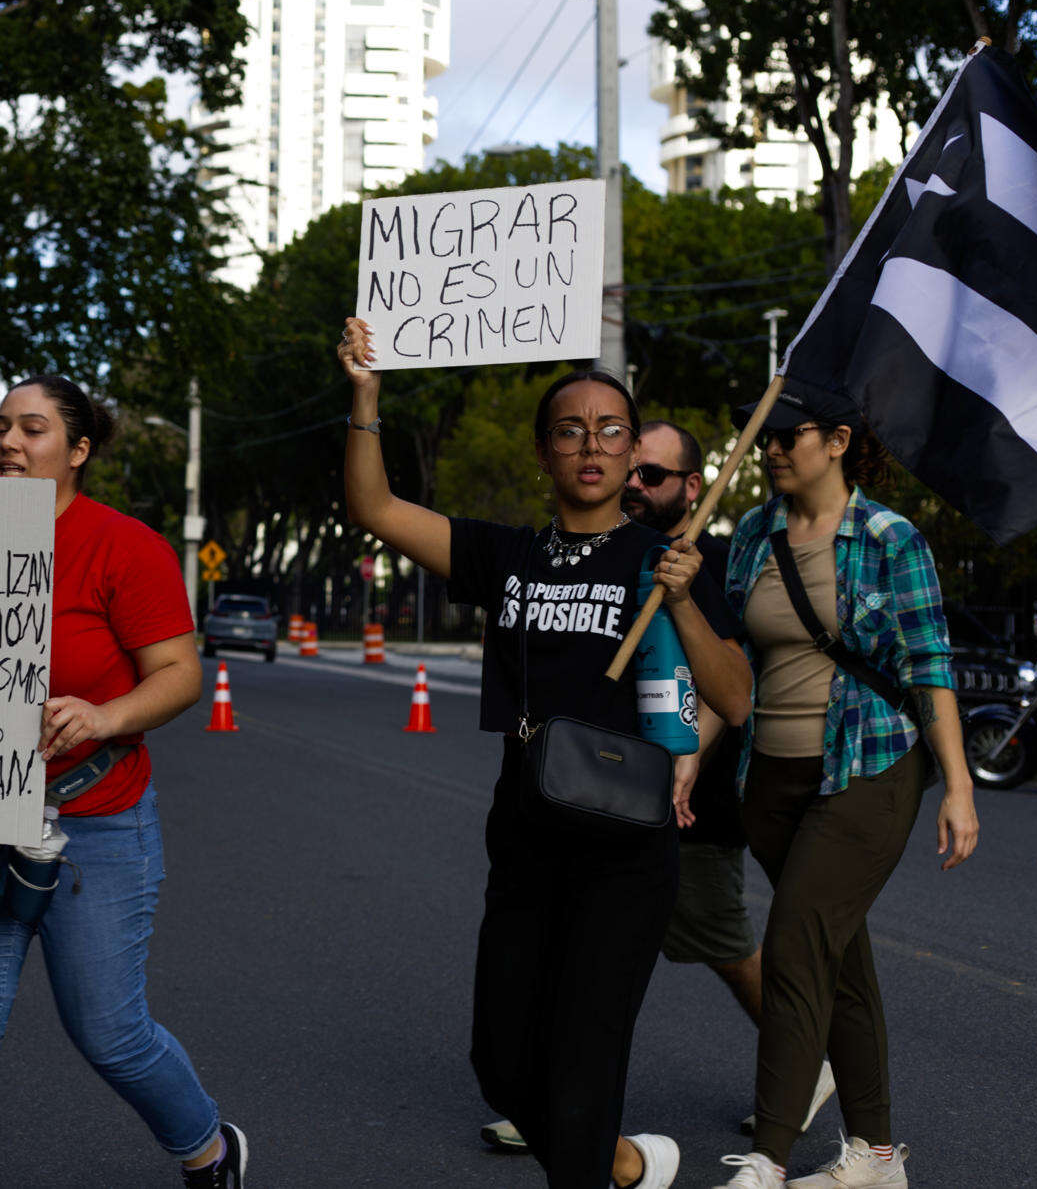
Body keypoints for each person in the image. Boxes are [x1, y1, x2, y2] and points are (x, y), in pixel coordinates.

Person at [337, 318, 752, 1189]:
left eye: (610, 430)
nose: (591, 445)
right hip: (525, 831)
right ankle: (627, 1163)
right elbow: (374, 507)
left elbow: (736, 696)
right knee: (500, 1059)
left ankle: (594, 1158)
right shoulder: (510, 554)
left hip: (626, 848)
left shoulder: (665, 557)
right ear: (545, 451)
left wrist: (679, 604)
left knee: (581, 1069)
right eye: (571, 430)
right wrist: (366, 397)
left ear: (634, 451)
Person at [0, 374, 246, 1188]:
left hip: (96, 820)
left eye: (32, 429)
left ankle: (208, 1146)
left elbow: (179, 673)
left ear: (79, 449)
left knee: (110, 1031)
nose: (8, 443)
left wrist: (105, 716)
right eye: (0, 428)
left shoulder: (126, 546)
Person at [707, 380, 979, 1189]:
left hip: (871, 766)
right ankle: (876, 1158)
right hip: (771, 777)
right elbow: (737, 666)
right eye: (764, 436)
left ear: (838, 440)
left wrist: (959, 786)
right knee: (839, 956)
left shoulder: (891, 539)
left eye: (790, 434)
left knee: (795, 941)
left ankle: (767, 1159)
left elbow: (930, 668)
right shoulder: (754, 532)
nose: (772, 448)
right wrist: (694, 758)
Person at [624, 422, 836, 1138]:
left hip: (697, 800)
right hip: (617, 786)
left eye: (652, 475)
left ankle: (811, 1061)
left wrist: (688, 761)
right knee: (590, 932)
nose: (633, 483)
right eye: (631, 470)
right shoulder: (622, 554)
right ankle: (559, 1094)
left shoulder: (718, 561)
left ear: (692, 486)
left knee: (719, 938)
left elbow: (736, 680)